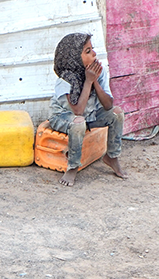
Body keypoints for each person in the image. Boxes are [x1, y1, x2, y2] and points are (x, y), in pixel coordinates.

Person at [47, 33, 126, 187]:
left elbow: (108, 105)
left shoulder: (97, 72)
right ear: (75, 57)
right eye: (88, 51)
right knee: (78, 122)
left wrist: (95, 80)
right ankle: (73, 167)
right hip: (63, 117)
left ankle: (112, 157)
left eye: (92, 49)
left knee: (117, 113)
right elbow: (78, 110)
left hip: (89, 116)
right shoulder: (65, 79)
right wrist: (88, 81)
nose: (94, 54)